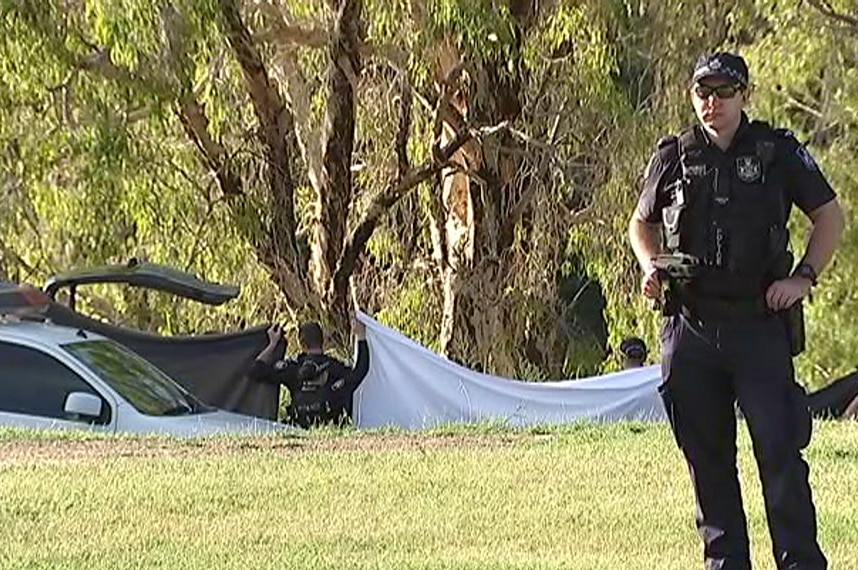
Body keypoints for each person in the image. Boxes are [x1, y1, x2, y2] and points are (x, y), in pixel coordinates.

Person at [628, 52, 845, 570]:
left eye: (724, 92)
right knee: (708, 463)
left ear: (744, 95)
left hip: (758, 326)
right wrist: (649, 267)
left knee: (780, 456)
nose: (713, 102)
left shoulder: (778, 152)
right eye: (703, 92)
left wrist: (803, 278)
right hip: (692, 327)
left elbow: (830, 217)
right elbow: (642, 223)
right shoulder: (673, 156)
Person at [248, 318, 369, 428]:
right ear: (323, 341)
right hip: (330, 428)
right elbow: (360, 371)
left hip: (298, 427)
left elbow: (256, 371)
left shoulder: (293, 368)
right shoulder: (334, 367)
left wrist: (272, 344)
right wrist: (361, 335)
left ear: (302, 345)